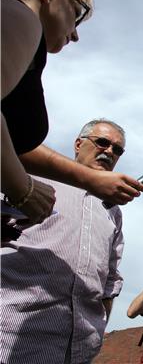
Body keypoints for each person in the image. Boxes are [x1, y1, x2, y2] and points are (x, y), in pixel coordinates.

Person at [1, 0, 143, 225]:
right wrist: (23, 189)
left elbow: (12, 147)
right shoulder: (20, 16)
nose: (76, 34)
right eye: (76, 15)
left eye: (118, 149)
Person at [0, 119, 129, 364]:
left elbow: (109, 281)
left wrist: (97, 330)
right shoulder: (29, 180)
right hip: (13, 339)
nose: (110, 152)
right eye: (102, 142)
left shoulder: (113, 211)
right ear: (78, 144)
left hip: (78, 350)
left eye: (117, 149)